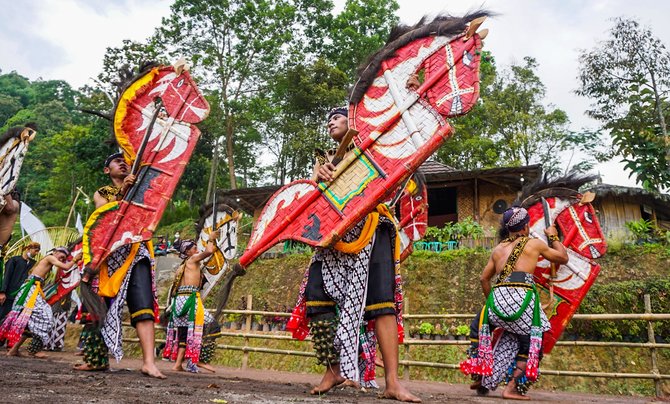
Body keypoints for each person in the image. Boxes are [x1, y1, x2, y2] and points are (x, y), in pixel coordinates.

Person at [287, 107, 420, 402]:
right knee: (317, 298)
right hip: (332, 235)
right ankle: (333, 369)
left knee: (382, 302)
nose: (331, 121)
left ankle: (392, 382)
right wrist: (318, 179)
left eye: (337, 116)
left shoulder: (375, 149)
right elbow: (311, 198)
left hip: (372, 229)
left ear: (354, 120)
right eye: (327, 119)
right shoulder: (323, 163)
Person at [461, 206, 568, 400]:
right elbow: (563, 257)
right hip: (522, 300)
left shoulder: (498, 249)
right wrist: (553, 236)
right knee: (533, 341)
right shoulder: (534, 244)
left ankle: (479, 374)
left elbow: (484, 279)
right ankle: (512, 388)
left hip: (497, 301)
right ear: (526, 226)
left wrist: (492, 305)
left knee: (478, 326)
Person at [75, 152, 165, 378]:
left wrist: (135, 189)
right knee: (98, 308)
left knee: (143, 303)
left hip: (136, 251)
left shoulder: (142, 191)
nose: (124, 163)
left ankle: (148, 363)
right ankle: (95, 359)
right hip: (107, 256)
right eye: (117, 161)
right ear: (107, 170)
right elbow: (105, 216)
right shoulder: (103, 192)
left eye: (126, 161)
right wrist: (124, 191)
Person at [0, 247, 78, 357]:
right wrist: (76, 259)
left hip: (32, 289)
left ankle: (14, 350)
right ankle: (34, 350)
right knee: (46, 316)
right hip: (30, 289)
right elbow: (66, 267)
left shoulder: (49, 260)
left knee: (29, 321)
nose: (62, 259)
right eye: (61, 256)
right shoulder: (50, 257)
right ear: (55, 252)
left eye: (64, 258)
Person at [163, 232, 221, 373]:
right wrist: (211, 238)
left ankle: (178, 364)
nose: (197, 251)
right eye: (195, 248)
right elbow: (208, 251)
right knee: (212, 326)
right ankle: (199, 359)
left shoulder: (183, 265)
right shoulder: (192, 260)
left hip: (179, 301)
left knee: (184, 332)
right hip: (189, 300)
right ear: (188, 252)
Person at [0, 243, 40, 324]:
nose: (36, 254)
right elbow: (6, 276)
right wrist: (2, 292)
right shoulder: (14, 260)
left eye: (38, 252)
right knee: (2, 316)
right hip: (8, 295)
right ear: (28, 249)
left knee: (12, 321)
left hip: (22, 297)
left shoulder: (34, 264)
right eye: (35, 251)